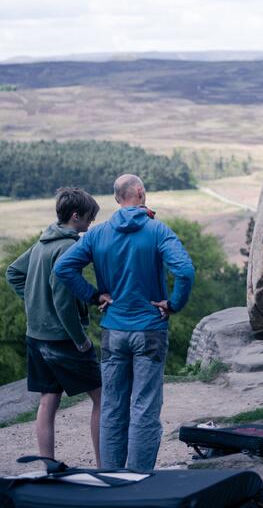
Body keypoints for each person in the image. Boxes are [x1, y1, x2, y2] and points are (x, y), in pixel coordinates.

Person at [54, 174, 195, 471]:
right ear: (141, 194)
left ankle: (111, 477)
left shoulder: (98, 234)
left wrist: (94, 296)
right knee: (144, 407)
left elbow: (64, 267)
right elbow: (184, 270)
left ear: (118, 199)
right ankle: (138, 478)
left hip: (114, 331)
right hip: (150, 330)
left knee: (112, 407)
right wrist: (173, 304)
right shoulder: (158, 231)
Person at [5, 187, 105, 465]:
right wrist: (80, 338)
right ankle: (102, 465)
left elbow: (13, 272)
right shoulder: (67, 248)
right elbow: (63, 303)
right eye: (89, 218)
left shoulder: (43, 242)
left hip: (36, 336)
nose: (90, 224)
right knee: (101, 398)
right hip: (63, 339)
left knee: (48, 400)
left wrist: (35, 302)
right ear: (75, 217)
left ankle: (48, 466)